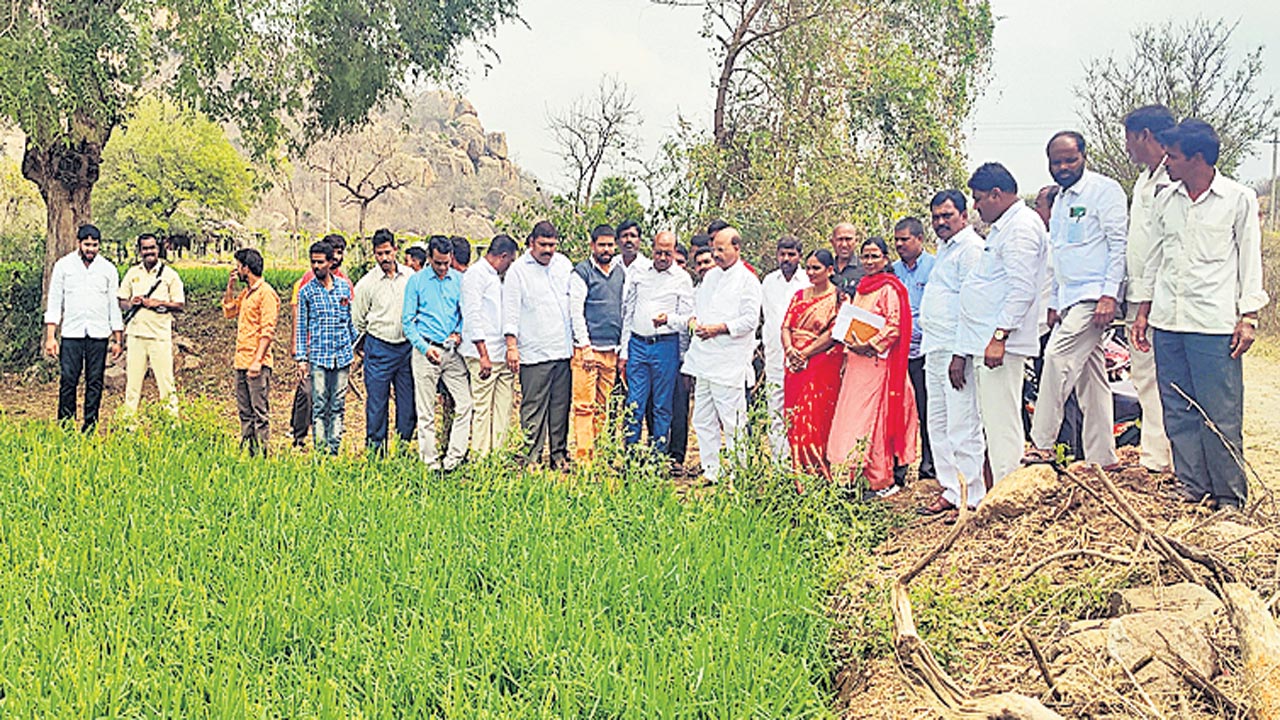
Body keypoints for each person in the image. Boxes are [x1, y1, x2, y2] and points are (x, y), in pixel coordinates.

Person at [1132, 119, 1268, 510]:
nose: (1167, 163)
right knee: (1177, 409)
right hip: (1167, 322)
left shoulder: (1237, 199)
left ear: (1197, 159)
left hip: (1212, 324)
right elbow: (1155, 259)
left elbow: (1249, 260)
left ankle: (1229, 497)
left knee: (1220, 413)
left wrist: (1248, 317)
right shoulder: (1165, 198)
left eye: (1173, 157)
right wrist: (1143, 312)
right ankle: (1193, 488)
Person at [1025, 131, 1127, 469]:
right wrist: (1054, 302)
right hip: (1069, 298)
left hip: (1095, 296)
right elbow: (1061, 253)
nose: (1064, 167)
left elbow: (1118, 245)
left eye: (1070, 160)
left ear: (1084, 156)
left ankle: (1042, 443)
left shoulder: (1104, 190)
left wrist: (1109, 294)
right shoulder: (1061, 200)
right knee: (1091, 379)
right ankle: (1103, 456)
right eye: (1057, 162)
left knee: (1056, 358)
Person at [956, 163, 1047, 485]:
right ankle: (1001, 489)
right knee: (994, 423)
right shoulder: (1004, 227)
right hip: (988, 341)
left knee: (1002, 424)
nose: (976, 206)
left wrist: (999, 336)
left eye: (979, 198)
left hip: (1001, 344)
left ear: (996, 194)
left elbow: (1022, 289)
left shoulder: (1021, 227)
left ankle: (1008, 492)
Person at [827, 237, 917, 497]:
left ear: (885, 259)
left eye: (874, 256)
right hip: (856, 364)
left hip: (878, 363)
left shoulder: (890, 288)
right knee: (853, 418)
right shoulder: (862, 288)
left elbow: (894, 326)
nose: (869, 261)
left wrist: (870, 345)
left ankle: (880, 479)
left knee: (874, 419)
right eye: (865, 256)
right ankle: (852, 475)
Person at [917, 190, 987, 514]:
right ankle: (950, 489)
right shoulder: (945, 249)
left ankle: (973, 494)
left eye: (947, 215)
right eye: (936, 217)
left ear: (964, 215)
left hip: (956, 351)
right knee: (939, 424)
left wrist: (961, 354)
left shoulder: (971, 249)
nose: (940, 222)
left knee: (963, 424)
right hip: (934, 347)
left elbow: (973, 305)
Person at [1121, 104, 1177, 473]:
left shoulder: (1174, 177)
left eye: (1129, 139)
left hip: (1161, 295)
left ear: (1145, 135)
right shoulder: (1144, 179)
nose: (1127, 147)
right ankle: (1155, 454)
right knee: (1143, 376)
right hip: (1136, 290)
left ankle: (1163, 458)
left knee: (1163, 377)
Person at [682, 227, 762, 485]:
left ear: (736, 248)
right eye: (713, 249)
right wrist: (695, 321)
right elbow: (699, 308)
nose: (715, 255)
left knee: (733, 421)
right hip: (704, 359)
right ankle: (712, 471)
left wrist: (719, 328)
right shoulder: (711, 277)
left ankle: (740, 473)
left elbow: (749, 321)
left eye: (721, 249)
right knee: (702, 418)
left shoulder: (748, 280)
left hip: (729, 362)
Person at [504, 221, 574, 470]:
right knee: (533, 407)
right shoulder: (518, 271)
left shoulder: (564, 265)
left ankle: (558, 456)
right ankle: (531, 457)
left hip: (562, 350)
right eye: (543, 244)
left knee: (560, 407)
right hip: (533, 352)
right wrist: (512, 346)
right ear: (532, 242)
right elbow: (510, 311)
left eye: (552, 245)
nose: (548, 250)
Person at [620, 230, 693, 457]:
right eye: (659, 252)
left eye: (667, 253)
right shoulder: (639, 273)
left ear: (674, 251)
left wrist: (668, 320)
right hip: (638, 344)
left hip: (665, 345)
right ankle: (631, 456)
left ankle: (657, 457)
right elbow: (628, 312)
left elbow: (688, 319)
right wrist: (624, 351)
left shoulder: (682, 278)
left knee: (662, 405)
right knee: (634, 402)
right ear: (652, 250)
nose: (662, 258)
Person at [44, 224, 124, 430]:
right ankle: (66, 426)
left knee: (95, 382)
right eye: (87, 244)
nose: (91, 249)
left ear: (99, 245)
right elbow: (55, 302)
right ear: (78, 243)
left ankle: (90, 426)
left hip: (98, 334)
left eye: (94, 245)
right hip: (72, 333)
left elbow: (113, 306)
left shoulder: (108, 269)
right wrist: (51, 337)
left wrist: (118, 339)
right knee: (68, 380)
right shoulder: (63, 266)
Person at [402, 236, 473, 471]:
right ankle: (430, 462)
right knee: (426, 410)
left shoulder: (459, 281)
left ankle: (454, 458)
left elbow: (465, 315)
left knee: (465, 404)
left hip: (452, 352)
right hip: (426, 350)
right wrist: (424, 348)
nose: (443, 268)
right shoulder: (416, 282)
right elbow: (407, 322)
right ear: (429, 258)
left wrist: (458, 333)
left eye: (446, 263)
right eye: (438, 263)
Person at [781, 249, 842, 480]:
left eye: (816, 268)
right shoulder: (799, 295)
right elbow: (786, 326)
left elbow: (834, 333)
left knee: (815, 418)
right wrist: (790, 350)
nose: (810, 272)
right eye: (808, 267)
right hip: (794, 365)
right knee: (794, 418)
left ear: (830, 270)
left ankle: (820, 475)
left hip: (820, 365)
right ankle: (799, 475)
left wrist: (805, 353)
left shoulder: (839, 298)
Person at [353, 229, 416, 455]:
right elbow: (358, 319)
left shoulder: (410, 277)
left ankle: (403, 450)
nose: (384, 258)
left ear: (395, 250)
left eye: (388, 252)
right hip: (379, 346)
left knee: (407, 404)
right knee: (377, 404)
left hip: (406, 347)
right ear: (374, 254)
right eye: (379, 254)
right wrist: (365, 345)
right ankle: (376, 453)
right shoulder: (366, 284)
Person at [569, 224, 626, 461]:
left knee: (603, 407)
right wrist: (585, 346)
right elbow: (576, 311)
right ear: (592, 245)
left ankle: (599, 455)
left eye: (610, 245)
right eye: (601, 245)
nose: (606, 249)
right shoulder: (582, 272)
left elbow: (623, 309)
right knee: (584, 406)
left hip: (611, 350)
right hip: (588, 351)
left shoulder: (620, 273)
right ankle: (584, 458)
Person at [295, 240, 357, 456]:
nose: (316, 266)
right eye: (313, 262)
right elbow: (301, 327)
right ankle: (321, 451)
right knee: (320, 405)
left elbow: (349, 321)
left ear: (330, 262)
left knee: (338, 405)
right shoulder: (306, 292)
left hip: (342, 355)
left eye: (320, 262)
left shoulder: (343, 287)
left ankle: (334, 449)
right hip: (319, 356)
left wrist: (357, 346)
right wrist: (301, 358)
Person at [462, 234, 519, 456]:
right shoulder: (476, 275)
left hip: (501, 352)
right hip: (483, 355)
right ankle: (480, 457)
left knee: (503, 407)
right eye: (510, 261)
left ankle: (498, 454)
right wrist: (483, 354)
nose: (510, 265)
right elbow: (472, 315)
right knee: (482, 408)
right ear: (503, 256)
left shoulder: (497, 277)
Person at [117, 233, 184, 417]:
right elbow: (121, 301)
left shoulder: (170, 275)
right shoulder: (132, 273)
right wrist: (131, 303)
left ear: (158, 249)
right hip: (136, 335)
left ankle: (171, 422)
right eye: (145, 248)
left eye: (152, 247)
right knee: (132, 384)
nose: (149, 252)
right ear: (140, 251)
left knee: (166, 383)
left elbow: (179, 305)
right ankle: (129, 423)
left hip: (159, 336)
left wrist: (158, 303)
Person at [222, 248, 279, 456]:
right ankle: (248, 450)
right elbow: (229, 311)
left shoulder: (266, 294)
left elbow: (267, 330)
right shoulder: (246, 293)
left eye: (239, 266)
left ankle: (262, 453)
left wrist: (258, 360)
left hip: (257, 362)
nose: (237, 270)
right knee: (245, 410)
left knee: (259, 411)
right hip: (241, 360)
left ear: (246, 268)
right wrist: (230, 288)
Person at [891, 217, 936, 482]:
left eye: (904, 239)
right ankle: (898, 468)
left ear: (919, 239)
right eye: (896, 240)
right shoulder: (892, 270)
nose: (899, 244)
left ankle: (929, 466)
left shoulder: (934, 267)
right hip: (897, 354)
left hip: (924, 352)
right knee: (898, 412)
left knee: (927, 409)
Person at [760, 236, 810, 460]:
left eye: (791, 254)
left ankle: (801, 460)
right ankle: (780, 461)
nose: (786, 259)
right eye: (782, 254)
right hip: (774, 355)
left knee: (800, 409)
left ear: (800, 256)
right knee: (775, 408)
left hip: (802, 356)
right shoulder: (769, 281)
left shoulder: (808, 281)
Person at [669, 243, 694, 471]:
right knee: (657, 406)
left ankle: (677, 457)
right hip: (660, 354)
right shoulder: (659, 284)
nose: (677, 266)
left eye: (681, 262)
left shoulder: (690, 288)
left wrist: (686, 359)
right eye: (673, 261)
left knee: (680, 407)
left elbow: (689, 327)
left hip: (683, 356)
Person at [830, 222, 865, 294]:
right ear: (832, 242)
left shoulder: (865, 269)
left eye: (848, 239)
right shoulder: (825, 269)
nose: (844, 244)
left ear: (856, 241)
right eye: (840, 239)